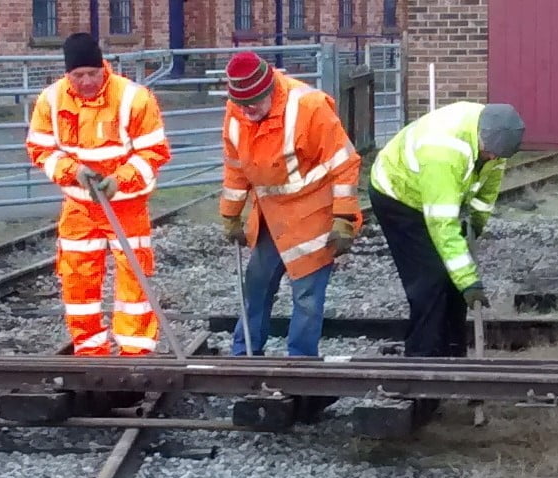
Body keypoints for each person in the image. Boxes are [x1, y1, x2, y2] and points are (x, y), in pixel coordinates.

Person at [26, 33, 172, 357]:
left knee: (134, 280)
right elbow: (41, 149)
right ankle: (90, 353)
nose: (87, 81)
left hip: (127, 206)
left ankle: (136, 356)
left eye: (93, 73)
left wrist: (120, 180)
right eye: (79, 75)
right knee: (77, 278)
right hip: (79, 205)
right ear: (67, 74)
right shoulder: (51, 100)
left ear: (103, 67)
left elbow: (154, 152)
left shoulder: (134, 98)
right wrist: (73, 171)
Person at [217, 51, 361, 357]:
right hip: (271, 217)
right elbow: (235, 166)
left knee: (307, 297)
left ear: (270, 89)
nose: (247, 109)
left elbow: (344, 163)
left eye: (253, 101)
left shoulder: (309, 107)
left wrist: (344, 218)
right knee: (255, 287)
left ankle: (301, 363)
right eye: (241, 104)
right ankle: (243, 356)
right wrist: (230, 214)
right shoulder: (238, 110)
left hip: (314, 217)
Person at [368, 102, 525, 359]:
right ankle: (422, 363)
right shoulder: (443, 152)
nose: (495, 160)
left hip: (434, 196)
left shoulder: (494, 140)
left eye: (499, 157)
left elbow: (487, 190)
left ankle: (453, 357)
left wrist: (476, 223)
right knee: (429, 280)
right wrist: (469, 282)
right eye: (492, 155)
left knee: (451, 280)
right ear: (482, 138)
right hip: (397, 195)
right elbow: (442, 224)